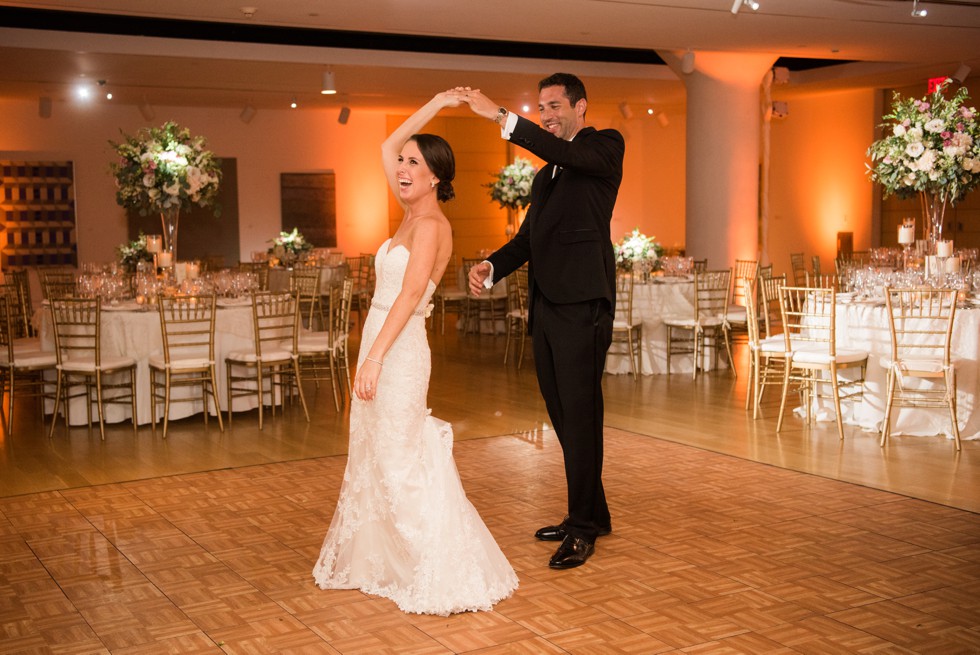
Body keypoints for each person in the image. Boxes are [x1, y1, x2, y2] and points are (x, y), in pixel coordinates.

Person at [312, 91, 518, 615]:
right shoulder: (407, 214)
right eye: (403, 162)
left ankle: (436, 563)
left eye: (414, 164)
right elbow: (385, 142)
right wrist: (438, 102)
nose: (402, 168)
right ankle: (384, 562)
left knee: (400, 457)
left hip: (399, 351)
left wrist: (375, 357)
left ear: (435, 179)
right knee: (375, 453)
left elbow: (407, 296)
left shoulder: (430, 227)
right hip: (381, 343)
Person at [462, 73, 625, 569]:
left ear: (580, 106)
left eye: (554, 106)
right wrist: (492, 267)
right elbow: (528, 241)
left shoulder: (603, 147)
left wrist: (500, 116)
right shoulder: (544, 176)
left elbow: (569, 154)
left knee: (581, 416)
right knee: (561, 415)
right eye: (541, 106)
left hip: (583, 305)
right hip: (548, 305)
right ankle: (592, 512)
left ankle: (581, 530)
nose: (547, 114)